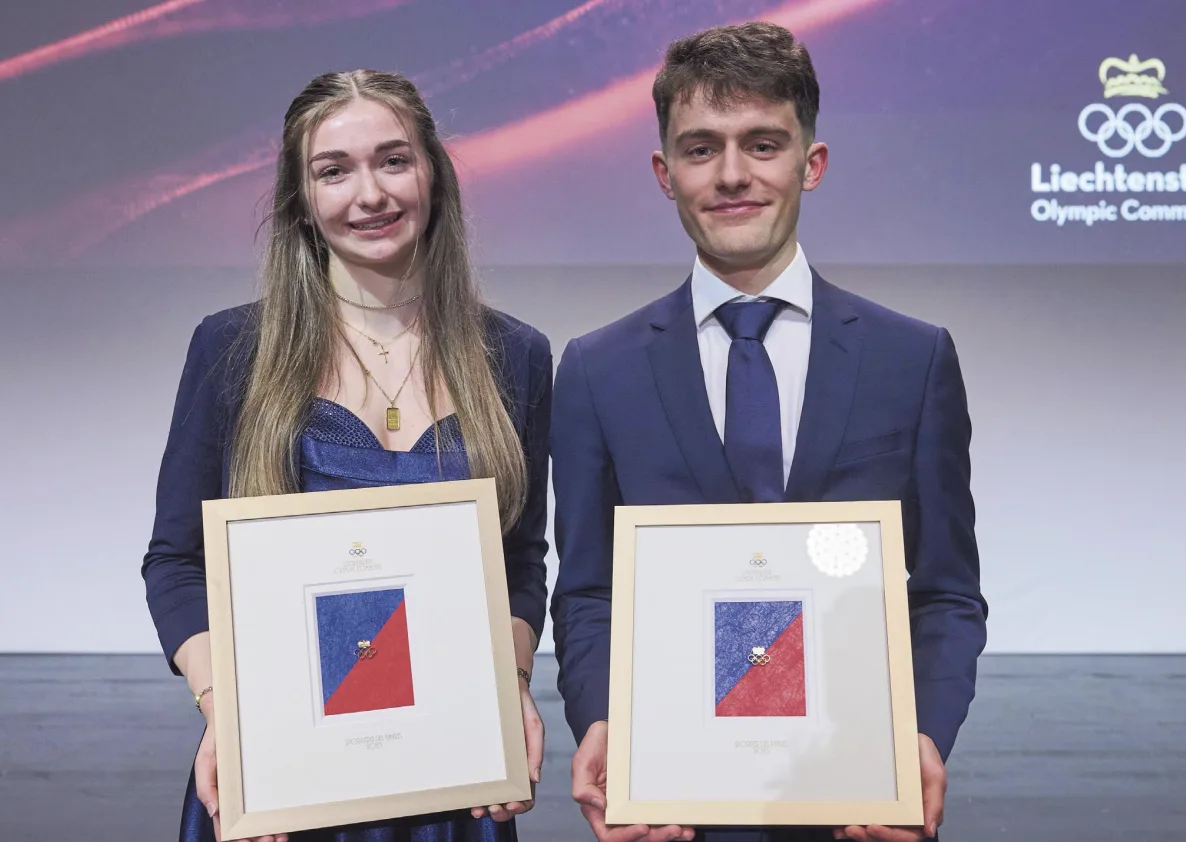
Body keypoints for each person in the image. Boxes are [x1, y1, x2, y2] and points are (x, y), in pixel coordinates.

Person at [550, 22, 987, 842]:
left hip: (856, 800)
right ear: (665, 173)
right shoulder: (596, 371)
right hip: (675, 804)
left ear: (809, 164)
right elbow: (589, 593)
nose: (731, 175)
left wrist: (922, 738)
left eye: (762, 144)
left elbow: (945, 590)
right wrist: (604, 722)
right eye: (701, 148)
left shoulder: (912, 359)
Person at [142, 69, 551, 842]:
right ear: (301, 198)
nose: (371, 194)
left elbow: (520, 559)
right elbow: (176, 562)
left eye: (393, 160)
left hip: (450, 771)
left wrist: (514, 684)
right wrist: (226, 713)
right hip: (283, 770)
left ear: (433, 172)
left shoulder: (515, 355)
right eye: (334, 171)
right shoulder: (232, 348)